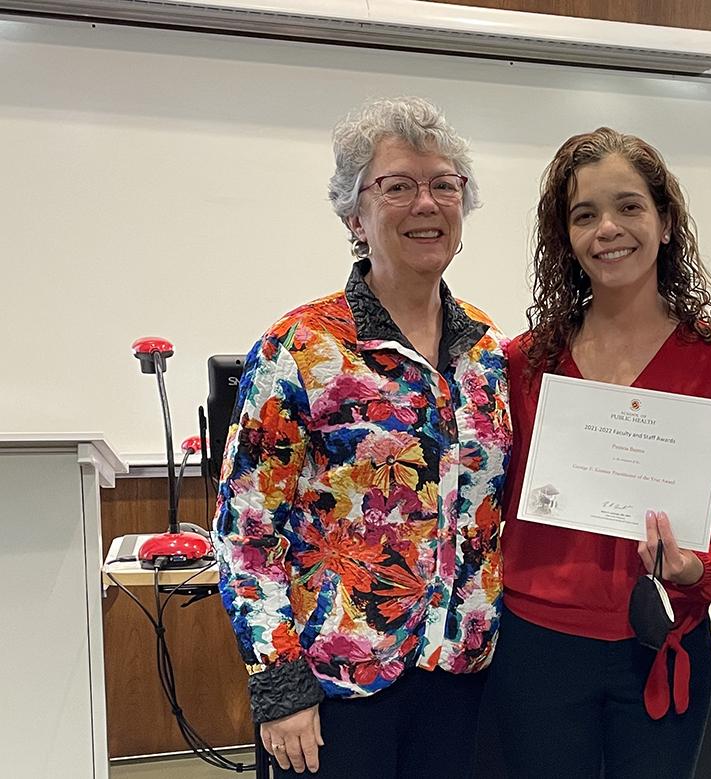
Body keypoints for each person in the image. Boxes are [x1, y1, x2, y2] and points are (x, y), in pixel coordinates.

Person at [211, 96, 509, 777]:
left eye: (444, 184)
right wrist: (280, 687)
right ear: (355, 215)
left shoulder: (490, 352)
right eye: (398, 186)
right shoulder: (301, 347)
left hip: (461, 678)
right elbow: (246, 529)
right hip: (336, 687)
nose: (426, 203)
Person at [487, 127, 711, 778]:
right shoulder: (525, 364)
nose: (609, 228)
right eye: (585, 214)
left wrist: (701, 568)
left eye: (629, 206)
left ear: (666, 223)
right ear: (567, 239)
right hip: (540, 643)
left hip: (661, 638)